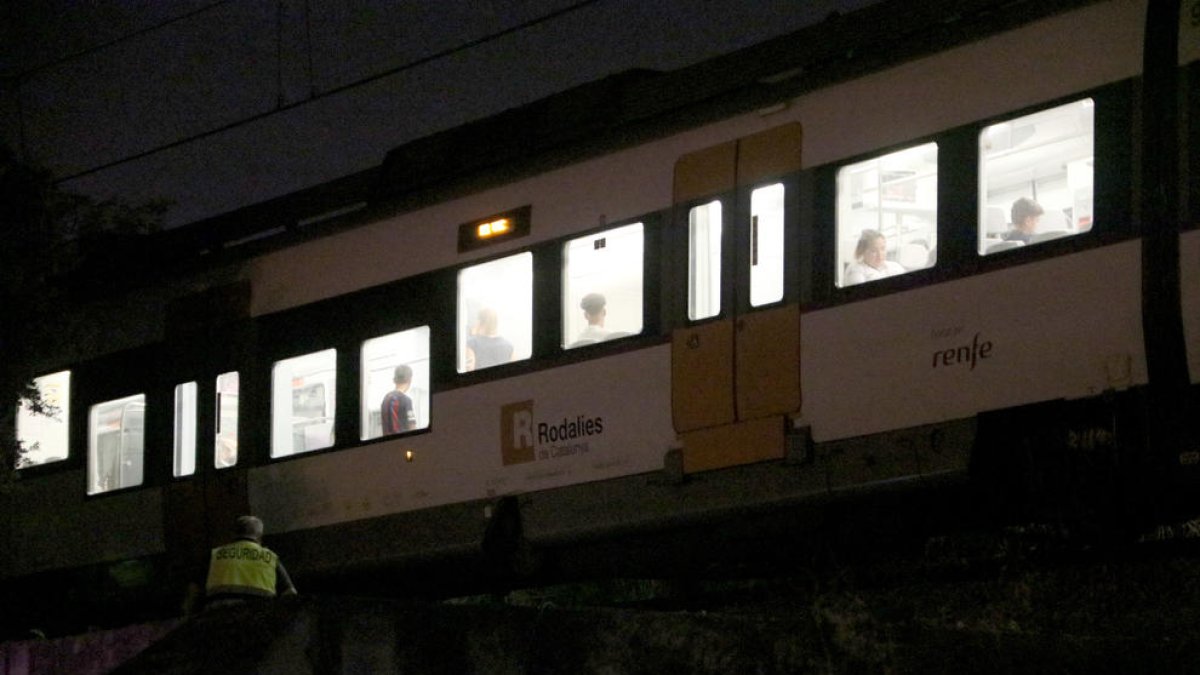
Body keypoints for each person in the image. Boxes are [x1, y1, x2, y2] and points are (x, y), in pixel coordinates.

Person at [205, 515, 297, 607]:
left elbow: (194, 589)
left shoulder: (215, 555)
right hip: (259, 615)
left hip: (219, 614)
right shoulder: (270, 557)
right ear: (259, 536)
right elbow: (290, 592)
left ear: (233, 534)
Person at [380, 364, 417, 435]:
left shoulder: (385, 399)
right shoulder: (406, 400)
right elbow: (412, 426)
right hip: (403, 443)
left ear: (395, 380)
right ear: (409, 380)